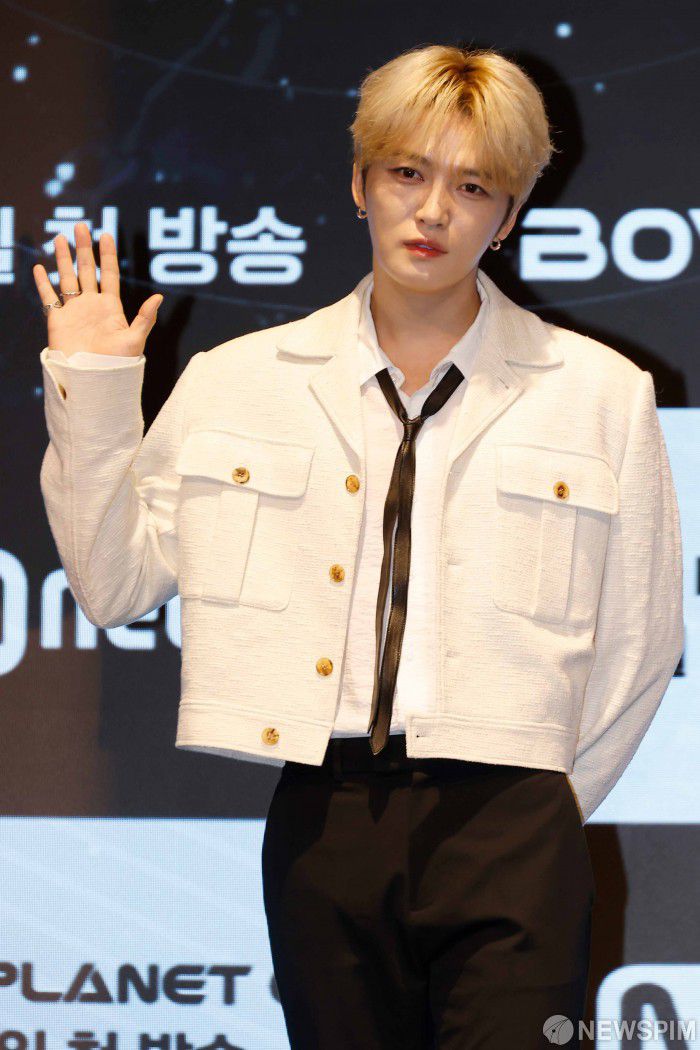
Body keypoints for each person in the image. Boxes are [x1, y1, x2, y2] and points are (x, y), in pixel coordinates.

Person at [34, 43, 683, 1050]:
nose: (433, 211)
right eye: (407, 173)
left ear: (509, 215)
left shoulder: (599, 393)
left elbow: (640, 643)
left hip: (515, 825)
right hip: (324, 820)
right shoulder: (240, 379)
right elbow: (114, 586)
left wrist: (539, 803)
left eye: (473, 187)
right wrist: (94, 389)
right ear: (359, 181)